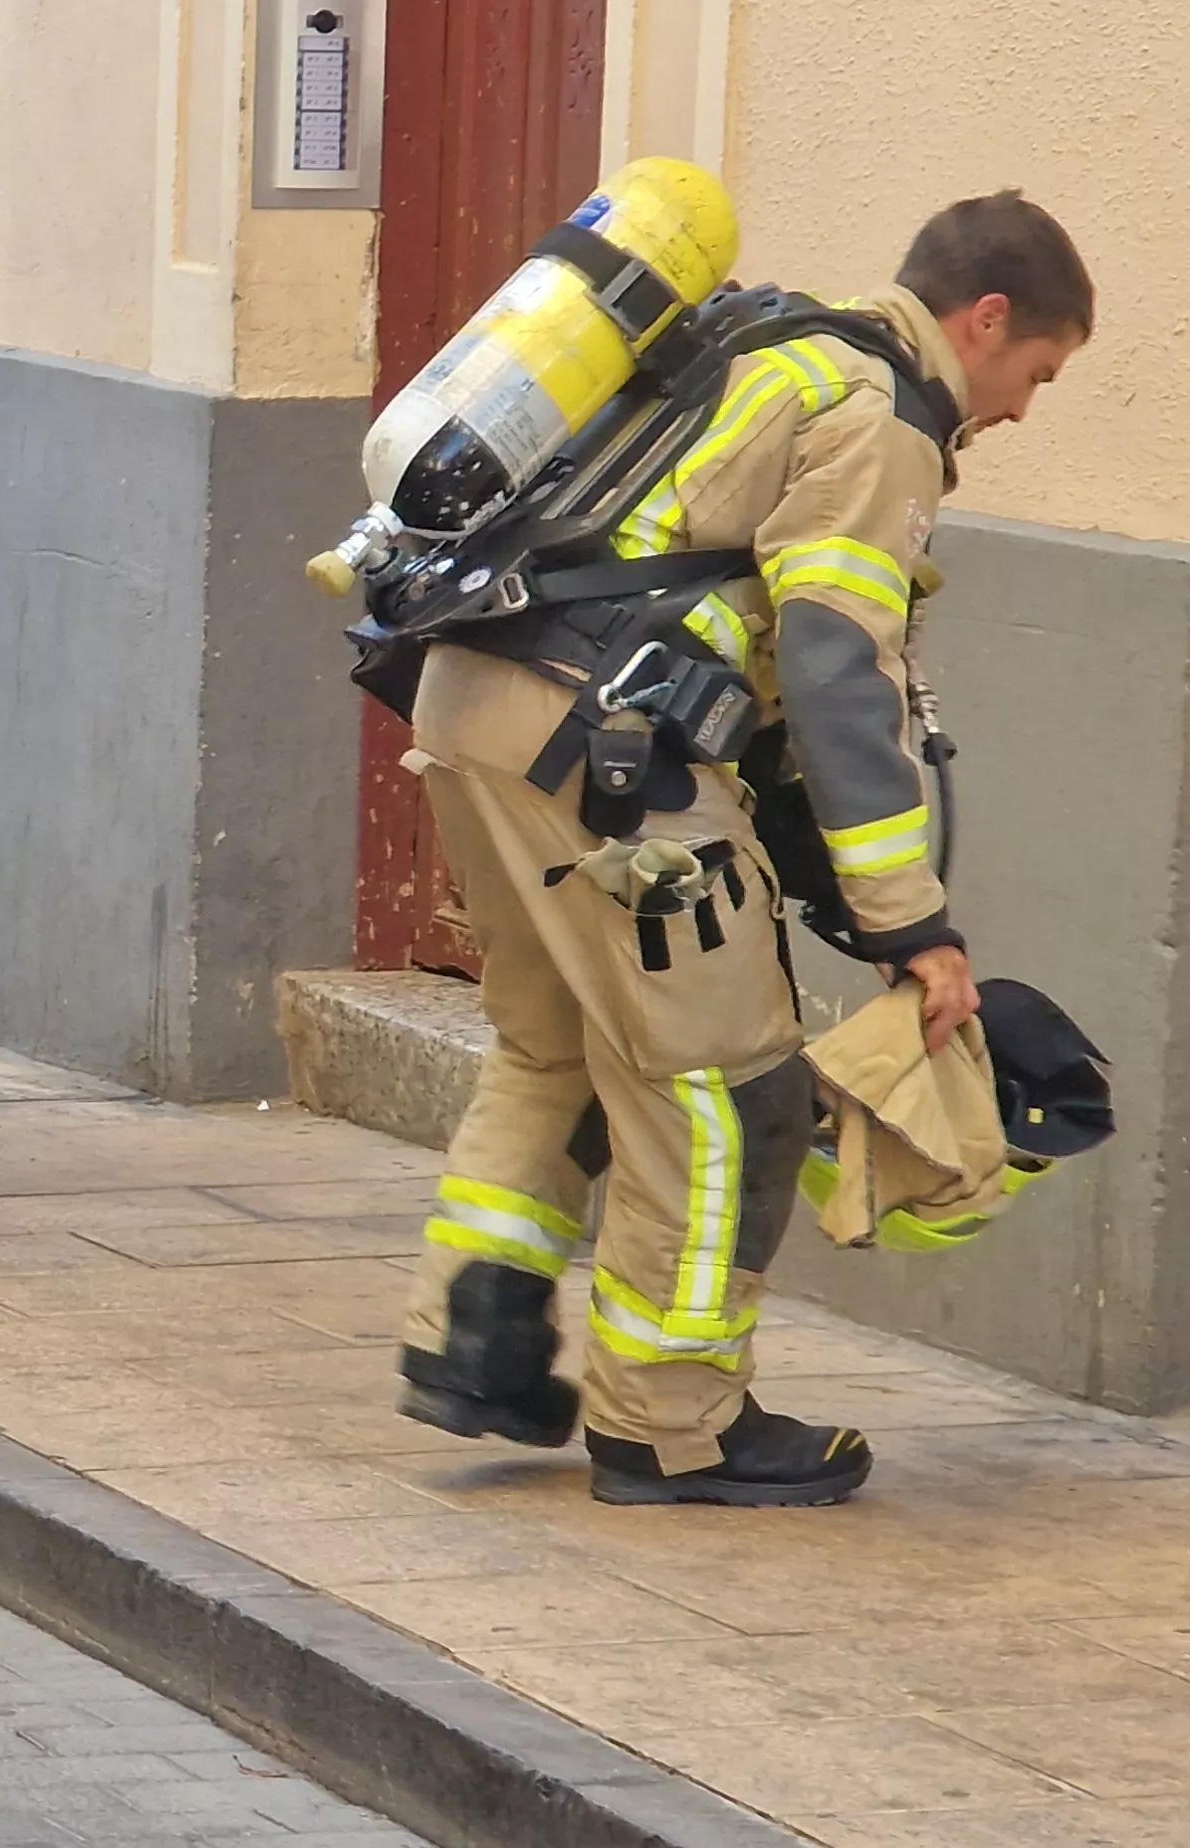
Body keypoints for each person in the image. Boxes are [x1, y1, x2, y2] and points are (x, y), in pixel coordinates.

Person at [394, 191, 1092, 1507]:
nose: (1021, 408)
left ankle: (470, 1346)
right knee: (727, 1088)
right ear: (985, 319)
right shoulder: (881, 418)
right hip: (609, 759)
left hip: (476, 711)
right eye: (1035, 373)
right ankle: (674, 1425)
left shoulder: (773, 349)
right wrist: (911, 923)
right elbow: (837, 671)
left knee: (561, 1048)